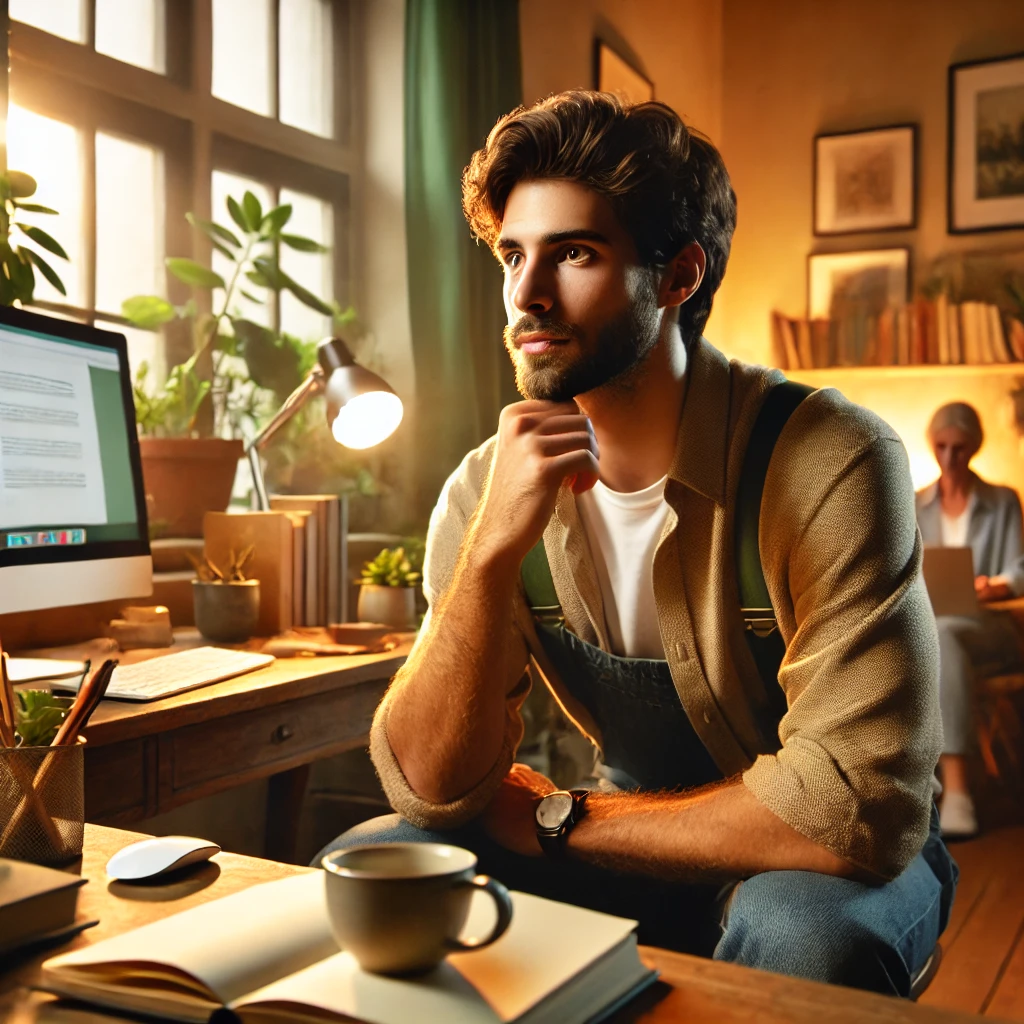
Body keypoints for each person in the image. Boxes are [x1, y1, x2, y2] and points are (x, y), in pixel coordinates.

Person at [319, 91, 956, 996]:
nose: (527, 294)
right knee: (379, 861)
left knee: (802, 936)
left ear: (679, 276)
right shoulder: (485, 486)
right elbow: (428, 787)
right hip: (637, 831)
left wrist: (559, 819)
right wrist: (490, 552)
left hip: (835, 867)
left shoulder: (832, 460)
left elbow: (852, 809)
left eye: (575, 253)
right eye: (513, 255)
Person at [916, 401, 1024, 838]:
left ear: (974, 446)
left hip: (991, 627)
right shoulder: (914, 504)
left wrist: (996, 585)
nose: (949, 458)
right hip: (932, 626)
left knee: (940, 636)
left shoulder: (1003, 501)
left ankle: (956, 789)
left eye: (958, 448)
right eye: (941, 446)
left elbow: (1019, 568)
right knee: (929, 637)